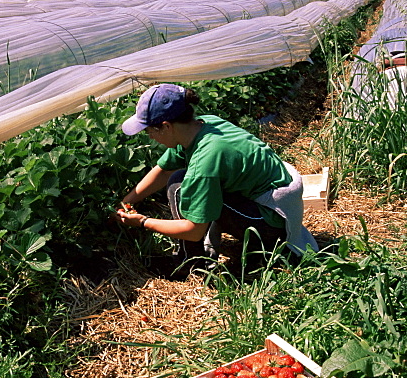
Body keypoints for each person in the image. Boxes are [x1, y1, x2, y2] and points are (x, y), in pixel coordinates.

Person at [113, 84, 317, 277]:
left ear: (166, 126)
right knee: (177, 179)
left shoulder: (206, 160)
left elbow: (193, 230)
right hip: (278, 205)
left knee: (180, 188)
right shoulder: (203, 125)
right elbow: (164, 170)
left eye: (149, 130)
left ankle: (191, 263)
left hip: (268, 223)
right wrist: (127, 201)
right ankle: (195, 257)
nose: (150, 136)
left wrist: (143, 222)